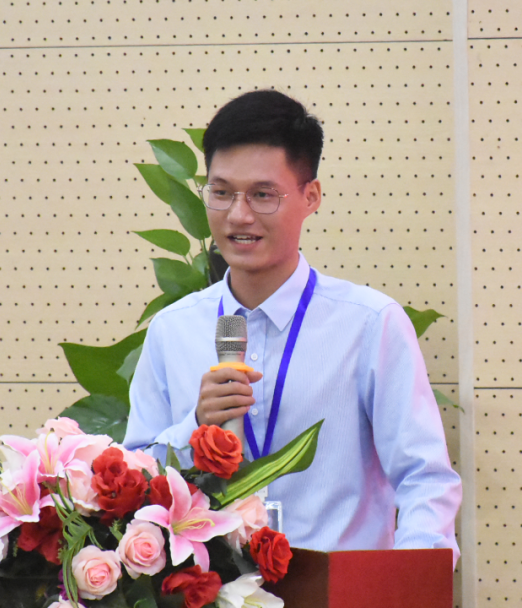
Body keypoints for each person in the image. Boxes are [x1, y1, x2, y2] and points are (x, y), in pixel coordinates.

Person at [123, 89, 461, 565]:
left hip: (338, 589)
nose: (239, 215)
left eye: (263, 195)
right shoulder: (172, 330)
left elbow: (424, 478)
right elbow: (133, 480)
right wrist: (195, 426)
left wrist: (403, 585)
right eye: (221, 192)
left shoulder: (369, 325)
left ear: (310, 196)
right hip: (212, 588)